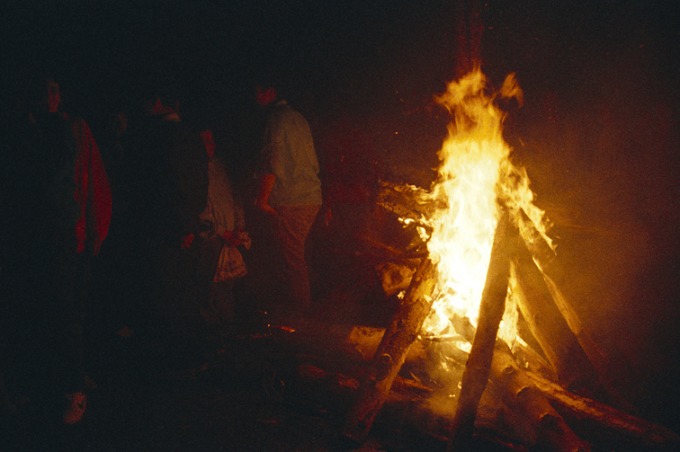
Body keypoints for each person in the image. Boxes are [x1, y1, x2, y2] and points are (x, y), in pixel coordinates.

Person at [1, 75, 112, 425]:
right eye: (42, 90)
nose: (48, 96)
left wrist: (94, 231)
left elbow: (79, 179)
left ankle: (73, 388)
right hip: (31, 235)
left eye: (53, 90)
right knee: (37, 310)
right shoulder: (24, 130)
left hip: (64, 235)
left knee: (64, 313)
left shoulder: (68, 130)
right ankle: (42, 383)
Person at [123, 89, 209, 372]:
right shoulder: (188, 134)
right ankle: (181, 356)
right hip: (180, 225)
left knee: (169, 292)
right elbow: (197, 184)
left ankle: (175, 358)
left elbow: (177, 184)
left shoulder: (167, 136)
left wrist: (182, 226)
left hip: (169, 228)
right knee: (179, 291)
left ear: (157, 101)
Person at [253, 82, 323, 317]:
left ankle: (297, 321)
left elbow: (272, 161)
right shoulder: (298, 118)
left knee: (290, 261)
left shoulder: (275, 120)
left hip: (292, 199)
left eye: (259, 90)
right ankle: (298, 314)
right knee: (296, 257)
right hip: (310, 196)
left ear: (271, 92)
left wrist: (262, 199)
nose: (255, 96)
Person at [196, 126, 250, 336]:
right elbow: (200, 209)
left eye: (211, 142)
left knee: (227, 287)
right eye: (203, 142)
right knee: (209, 288)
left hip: (229, 239)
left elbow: (235, 198)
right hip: (210, 239)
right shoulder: (196, 170)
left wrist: (239, 227)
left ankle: (227, 333)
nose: (208, 147)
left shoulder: (221, 168)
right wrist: (219, 231)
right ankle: (211, 335)